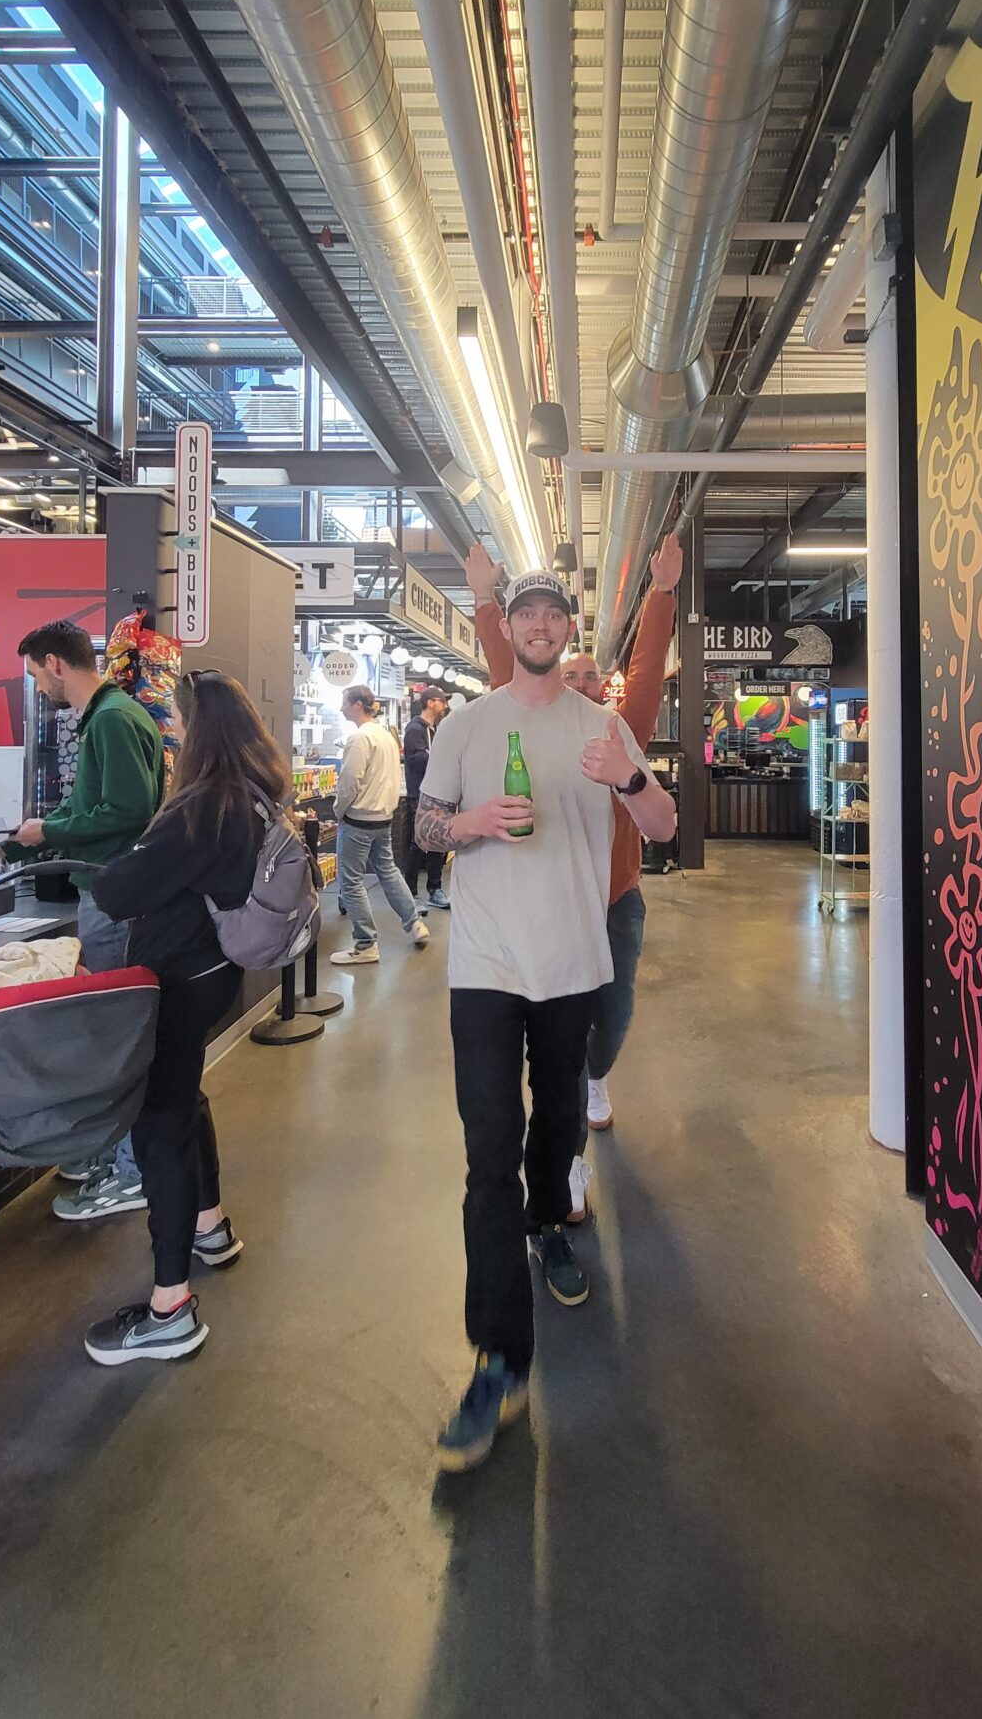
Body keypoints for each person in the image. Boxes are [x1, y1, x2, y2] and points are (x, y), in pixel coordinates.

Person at [416, 569, 676, 1471]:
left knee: (557, 1128)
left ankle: (549, 1224)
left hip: (572, 964)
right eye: (523, 611)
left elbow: (667, 820)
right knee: (488, 1152)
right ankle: (498, 1358)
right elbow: (423, 826)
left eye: (552, 612)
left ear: (567, 629)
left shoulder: (602, 727)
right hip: (485, 968)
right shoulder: (466, 724)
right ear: (509, 626)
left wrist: (633, 774)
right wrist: (472, 822)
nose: (537, 623)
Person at [467, 532, 681, 1221]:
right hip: (547, 907)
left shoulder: (620, 731)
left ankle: (595, 1077)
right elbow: (508, 666)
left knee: (610, 1022)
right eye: (577, 673)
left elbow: (648, 671)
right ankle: (568, 1168)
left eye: (594, 676)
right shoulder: (530, 720)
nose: (585, 681)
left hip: (615, 904)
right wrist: (482, 599)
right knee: (546, 1049)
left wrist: (665, 592)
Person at [77, 668, 278, 1363]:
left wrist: (115, 862)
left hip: (178, 977)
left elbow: (118, 889)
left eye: (180, 725)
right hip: (215, 976)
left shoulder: (203, 808)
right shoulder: (253, 798)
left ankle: (169, 1305)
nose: (174, 736)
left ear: (197, 732)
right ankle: (209, 1223)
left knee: (159, 1126)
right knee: (184, 1097)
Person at [0, 619, 164, 1222]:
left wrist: (51, 831)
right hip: (110, 893)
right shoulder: (113, 716)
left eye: (35, 674)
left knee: (118, 1037)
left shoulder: (114, 719)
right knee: (114, 1033)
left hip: (115, 897)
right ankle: (117, 1155)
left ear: (54, 663)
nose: (37, 687)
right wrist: (1, 850)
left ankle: (133, 1170)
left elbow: (126, 809)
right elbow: (83, 807)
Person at [331, 684, 430, 965]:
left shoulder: (360, 738)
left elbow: (350, 781)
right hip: (383, 818)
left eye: (345, 702)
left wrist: (339, 810)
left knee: (351, 881)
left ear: (358, 705)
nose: (341, 708)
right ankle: (414, 924)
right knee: (388, 871)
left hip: (358, 818)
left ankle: (365, 944)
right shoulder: (385, 736)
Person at [402, 684, 451, 910]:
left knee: (437, 843)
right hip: (419, 795)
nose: (445, 705)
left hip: (437, 794)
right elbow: (415, 760)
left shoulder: (434, 729)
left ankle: (435, 889)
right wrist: (439, 756)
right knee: (418, 844)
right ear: (430, 702)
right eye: (442, 700)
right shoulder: (415, 729)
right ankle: (410, 893)